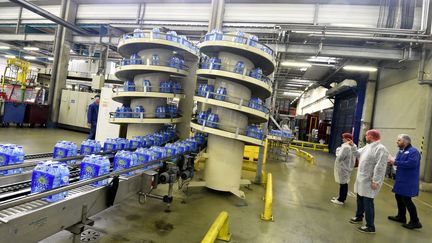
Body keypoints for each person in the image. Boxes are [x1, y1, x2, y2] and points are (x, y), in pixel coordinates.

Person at [348, 129, 389, 234]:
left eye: (366, 135)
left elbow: (380, 166)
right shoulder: (367, 147)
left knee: (368, 202)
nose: (365, 137)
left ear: (371, 136)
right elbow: (357, 154)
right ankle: (359, 217)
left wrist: (376, 180)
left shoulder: (381, 149)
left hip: (370, 180)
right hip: (362, 179)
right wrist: (353, 145)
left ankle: (370, 226)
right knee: (360, 198)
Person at [388, 134, 422, 229]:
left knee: (407, 199)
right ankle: (401, 216)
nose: (397, 142)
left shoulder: (413, 151)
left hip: (408, 180)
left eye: (399, 140)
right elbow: (397, 161)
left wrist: (396, 162)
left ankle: (415, 221)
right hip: (400, 179)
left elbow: (412, 164)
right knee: (398, 196)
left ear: (406, 141)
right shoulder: (401, 151)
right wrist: (391, 161)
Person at [331, 133, 356, 205]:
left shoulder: (346, 147)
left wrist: (338, 151)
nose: (342, 139)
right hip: (347, 167)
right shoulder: (352, 146)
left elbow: (340, 157)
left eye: (343, 138)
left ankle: (341, 200)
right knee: (344, 183)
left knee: (343, 184)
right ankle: (341, 197)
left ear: (347, 138)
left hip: (343, 167)